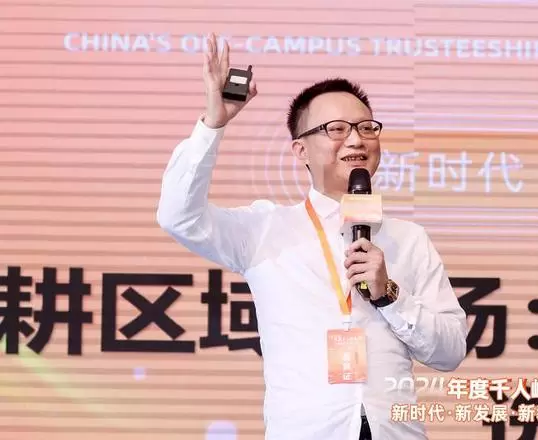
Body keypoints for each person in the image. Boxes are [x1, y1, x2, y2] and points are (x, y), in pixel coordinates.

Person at [157, 33, 468, 440]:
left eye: (366, 128)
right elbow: (178, 216)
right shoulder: (264, 229)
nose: (356, 139)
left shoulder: (409, 239)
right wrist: (212, 126)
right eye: (336, 129)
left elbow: (450, 351)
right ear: (300, 151)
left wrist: (389, 294)